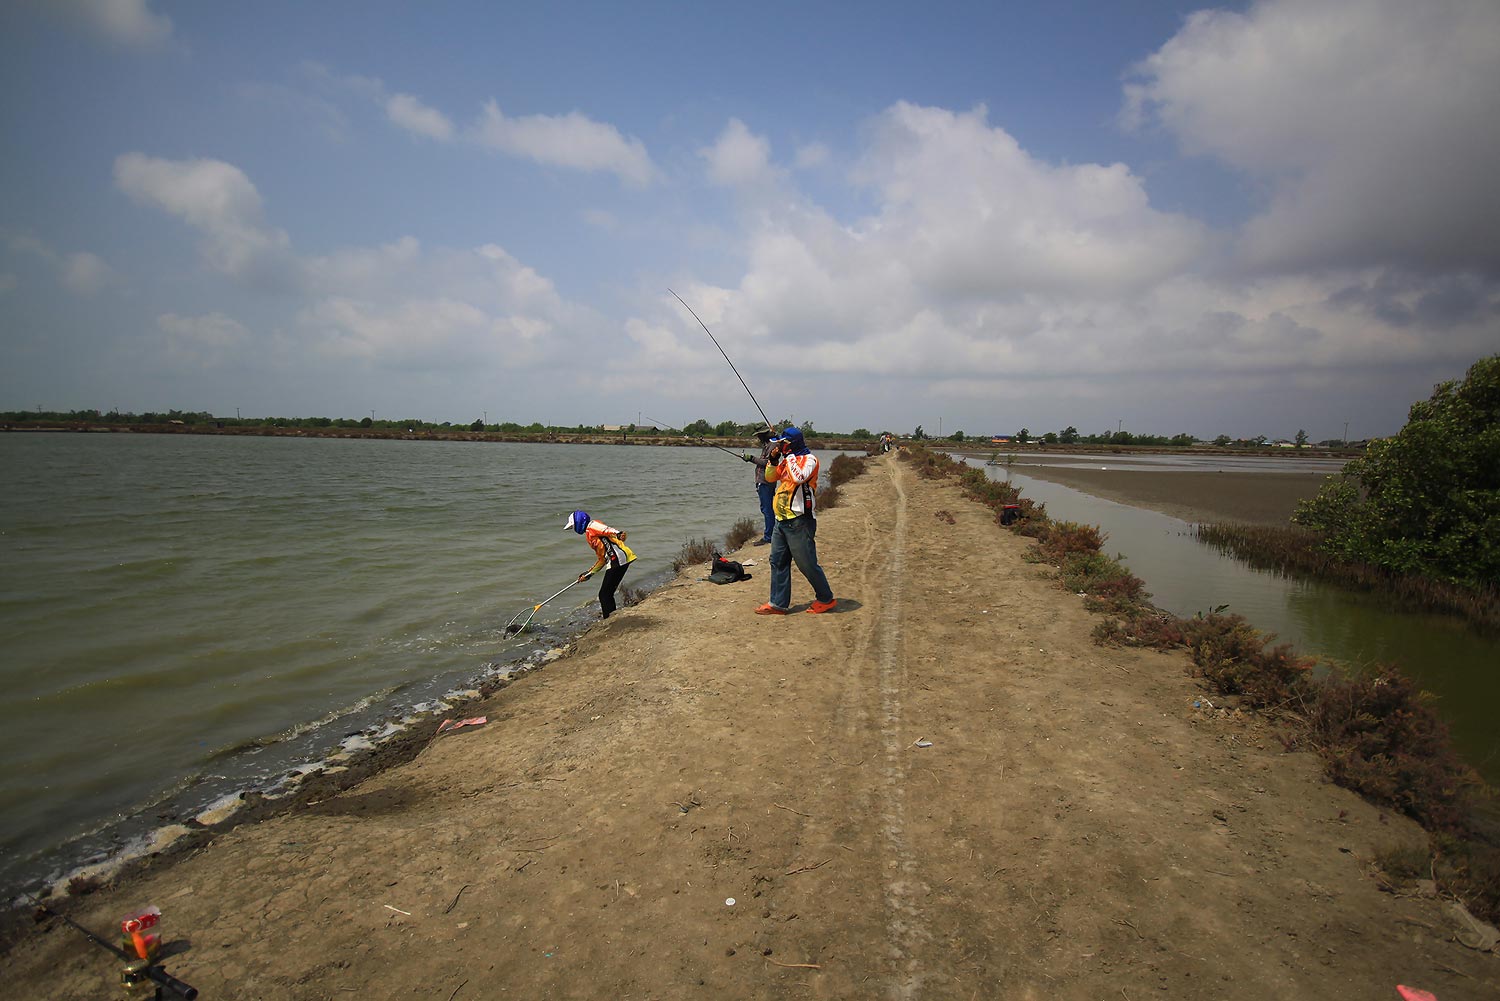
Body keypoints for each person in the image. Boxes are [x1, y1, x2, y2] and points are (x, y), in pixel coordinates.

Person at [756, 427, 836, 615]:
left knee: (806, 563)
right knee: (777, 561)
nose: (782, 446)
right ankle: (778, 603)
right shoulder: (785, 461)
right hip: (781, 520)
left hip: (800, 521)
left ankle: (826, 598)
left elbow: (798, 477)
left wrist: (790, 455)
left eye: (785, 443)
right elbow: (769, 477)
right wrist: (774, 460)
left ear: (794, 444)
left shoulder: (810, 460)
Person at [564, 509, 637, 619]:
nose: (574, 529)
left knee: (604, 595)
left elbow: (606, 530)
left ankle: (610, 620)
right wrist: (588, 574)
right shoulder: (589, 535)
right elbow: (602, 559)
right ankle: (612, 618)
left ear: (579, 521)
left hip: (617, 559)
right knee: (606, 593)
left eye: (573, 526)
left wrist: (618, 533)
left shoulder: (592, 526)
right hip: (616, 560)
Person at [748, 426, 777, 545]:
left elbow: (766, 462)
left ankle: (768, 536)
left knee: (767, 509)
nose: (758, 438)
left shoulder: (772, 445)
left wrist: (751, 458)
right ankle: (772, 533)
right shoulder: (768, 444)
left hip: (765, 481)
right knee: (767, 508)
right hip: (764, 481)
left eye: (759, 435)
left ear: (764, 435)